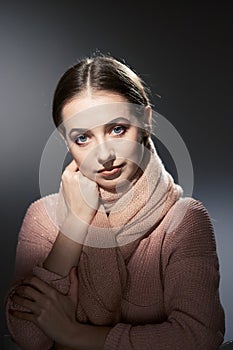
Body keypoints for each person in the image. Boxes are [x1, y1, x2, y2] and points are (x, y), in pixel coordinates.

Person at [5, 54, 225, 350]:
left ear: (145, 120)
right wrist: (75, 223)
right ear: (66, 141)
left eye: (117, 129)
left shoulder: (185, 220)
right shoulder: (43, 216)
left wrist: (73, 334)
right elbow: (29, 336)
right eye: (83, 138)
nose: (105, 154)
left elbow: (199, 338)